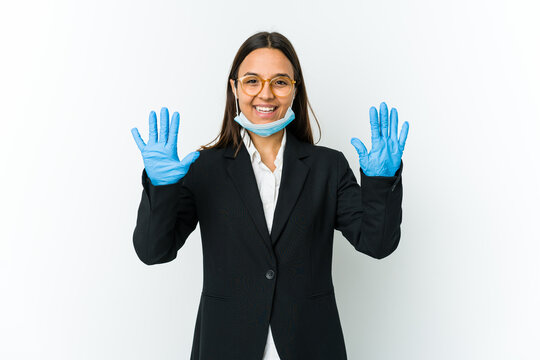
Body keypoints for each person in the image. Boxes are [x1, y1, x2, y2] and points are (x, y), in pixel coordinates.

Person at [130, 31, 409, 360]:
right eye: (252, 81)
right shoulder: (202, 168)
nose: (266, 93)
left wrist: (381, 180)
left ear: (295, 89)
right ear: (234, 88)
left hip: (311, 346)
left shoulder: (327, 167)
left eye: (279, 82)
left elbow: (377, 244)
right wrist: (162, 188)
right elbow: (153, 251)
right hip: (225, 347)